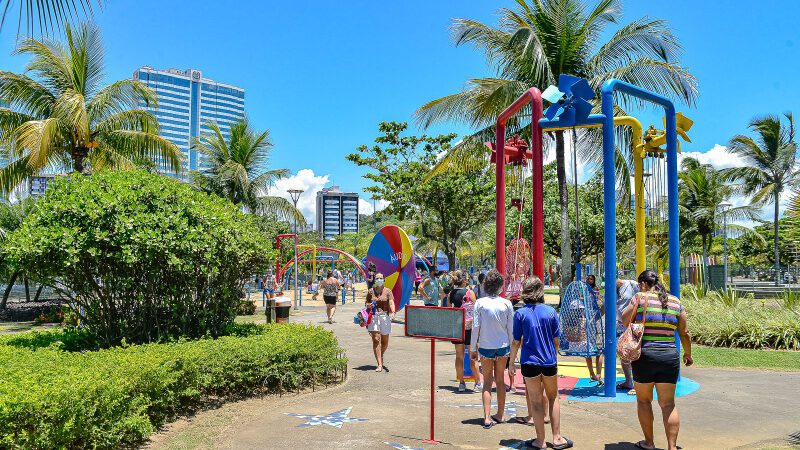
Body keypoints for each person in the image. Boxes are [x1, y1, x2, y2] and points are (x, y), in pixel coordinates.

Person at [621, 270, 692, 450]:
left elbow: (624, 319)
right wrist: (688, 354)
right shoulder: (675, 301)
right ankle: (672, 447)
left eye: (639, 285)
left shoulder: (639, 297)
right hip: (669, 356)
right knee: (668, 404)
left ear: (644, 284)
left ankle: (649, 443)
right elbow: (684, 332)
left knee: (644, 401)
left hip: (644, 355)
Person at [509, 276, 573, 450]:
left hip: (529, 363)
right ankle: (558, 438)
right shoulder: (551, 312)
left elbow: (516, 342)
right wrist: (553, 354)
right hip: (549, 361)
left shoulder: (520, 314)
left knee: (536, 401)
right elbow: (556, 339)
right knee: (553, 397)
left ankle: (540, 441)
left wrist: (510, 364)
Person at [469, 269, 514, 429]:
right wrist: (513, 352)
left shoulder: (480, 303)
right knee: (500, 380)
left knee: (487, 382)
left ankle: (487, 417)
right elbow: (511, 330)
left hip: (485, 347)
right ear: (501, 286)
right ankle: (500, 414)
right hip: (503, 347)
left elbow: (476, 328)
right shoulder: (506, 303)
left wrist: (473, 348)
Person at [446, 270, 481, 392]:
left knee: (459, 356)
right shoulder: (470, 293)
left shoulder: (451, 293)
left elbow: (449, 309)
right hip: (470, 328)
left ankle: (461, 383)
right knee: (473, 355)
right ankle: (477, 383)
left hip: (457, 327)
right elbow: (476, 310)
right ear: (465, 280)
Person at [365, 272, 396, 372]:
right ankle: (379, 364)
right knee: (376, 339)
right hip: (373, 316)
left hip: (384, 316)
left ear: (384, 279)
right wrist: (369, 305)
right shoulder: (371, 291)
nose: (379, 280)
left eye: (380, 278)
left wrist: (393, 312)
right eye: (377, 278)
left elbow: (391, 302)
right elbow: (366, 303)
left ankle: (380, 354)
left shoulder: (388, 291)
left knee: (385, 342)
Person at [616, 278, 640, 393]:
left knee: (634, 354)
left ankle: (637, 383)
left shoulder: (632, 285)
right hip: (620, 326)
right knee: (623, 353)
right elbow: (605, 307)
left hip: (633, 325)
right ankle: (628, 381)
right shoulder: (610, 289)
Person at [584, 274, 603, 383]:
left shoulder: (595, 290)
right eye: (588, 278)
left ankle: (598, 373)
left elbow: (599, 303)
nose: (589, 280)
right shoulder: (584, 289)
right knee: (588, 350)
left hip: (595, 320)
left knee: (599, 349)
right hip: (588, 321)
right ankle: (591, 373)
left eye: (591, 279)